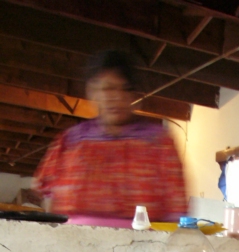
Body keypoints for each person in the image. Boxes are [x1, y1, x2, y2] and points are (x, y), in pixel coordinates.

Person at [34, 50, 187, 225]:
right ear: (92, 92)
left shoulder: (159, 142)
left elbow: (176, 212)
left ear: (134, 96)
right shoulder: (69, 142)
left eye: (126, 89)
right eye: (108, 88)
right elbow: (50, 201)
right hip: (75, 245)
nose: (117, 97)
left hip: (142, 247)